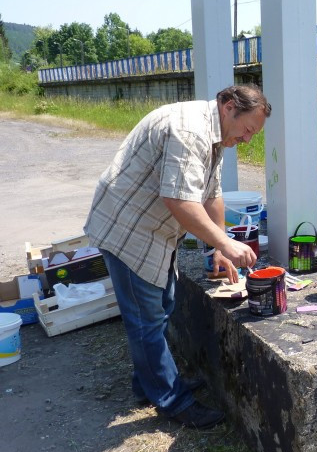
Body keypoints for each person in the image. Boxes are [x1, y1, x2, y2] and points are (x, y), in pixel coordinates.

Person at [84, 84, 271, 429]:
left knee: (163, 303)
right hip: (129, 227)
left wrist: (219, 242)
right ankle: (173, 400)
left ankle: (147, 384)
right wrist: (228, 246)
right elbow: (180, 201)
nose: (247, 140)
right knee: (146, 320)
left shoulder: (217, 135)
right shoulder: (190, 130)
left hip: (154, 229)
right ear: (229, 106)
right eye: (248, 130)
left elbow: (211, 193)